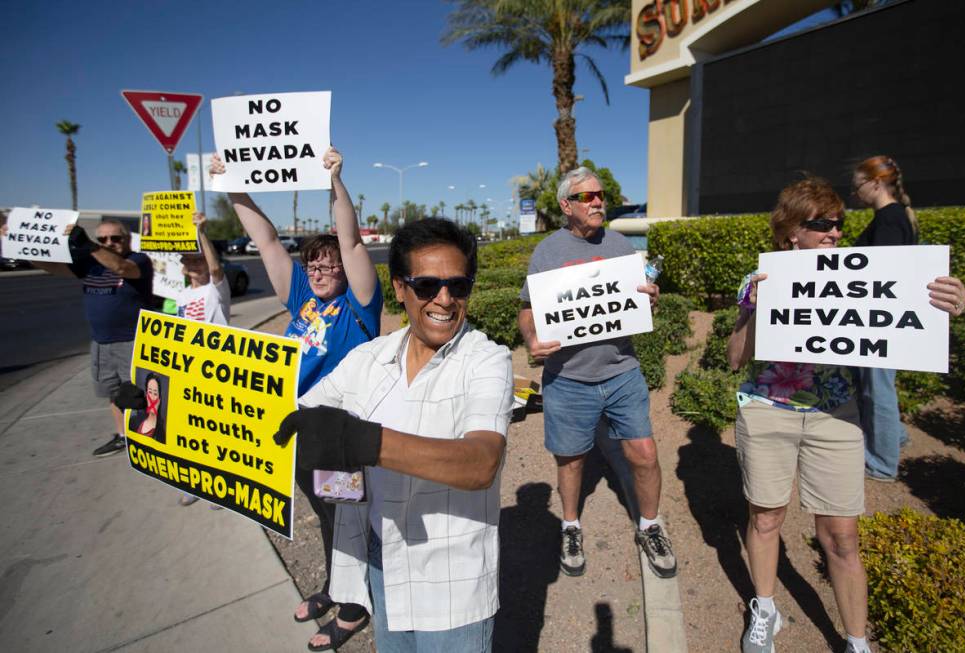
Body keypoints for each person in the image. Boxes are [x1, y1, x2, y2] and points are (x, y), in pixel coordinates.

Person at [726, 177, 965, 653]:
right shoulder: (762, 280)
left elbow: (907, 317)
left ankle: (857, 642)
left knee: (841, 536)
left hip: (835, 415)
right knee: (765, 519)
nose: (835, 233)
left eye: (839, 224)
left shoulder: (865, 273)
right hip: (769, 411)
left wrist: (947, 304)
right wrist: (756, 308)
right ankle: (766, 609)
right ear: (792, 231)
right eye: (823, 225)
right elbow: (736, 358)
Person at [275, 218, 512, 652]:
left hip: (450, 582)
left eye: (458, 286)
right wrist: (170, 409)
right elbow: (285, 416)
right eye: (426, 285)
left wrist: (366, 441)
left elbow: (481, 462)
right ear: (400, 287)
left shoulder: (487, 361)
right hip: (380, 564)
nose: (444, 299)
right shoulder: (368, 359)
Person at [212, 147, 381, 651]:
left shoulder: (360, 306)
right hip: (301, 429)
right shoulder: (301, 298)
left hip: (342, 435)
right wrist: (234, 188)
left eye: (330, 263)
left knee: (350, 517)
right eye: (315, 263)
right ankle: (335, 588)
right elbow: (264, 237)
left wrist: (336, 182)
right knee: (326, 515)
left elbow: (348, 238)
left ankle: (354, 608)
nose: (322, 269)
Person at [516, 167, 674, 579]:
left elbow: (637, 300)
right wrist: (532, 340)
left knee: (645, 453)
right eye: (587, 197)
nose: (598, 202)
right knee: (571, 462)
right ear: (567, 206)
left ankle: (651, 525)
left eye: (600, 195)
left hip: (622, 372)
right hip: (567, 378)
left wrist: (649, 300)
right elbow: (527, 309)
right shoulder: (547, 252)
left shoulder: (621, 245)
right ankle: (571, 525)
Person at [849, 156, 965, 481]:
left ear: (875, 183)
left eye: (857, 185)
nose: (855, 193)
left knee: (877, 388)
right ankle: (896, 438)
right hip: (884, 319)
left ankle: (881, 464)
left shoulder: (888, 219)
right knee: (878, 384)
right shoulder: (898, 216)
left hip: (879, 321)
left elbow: (883, 273)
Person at [17, 219, 153, 457]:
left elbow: (122, 269)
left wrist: (90, 245)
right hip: (101, 342)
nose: (109, 243)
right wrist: (21, 245)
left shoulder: (138, 260)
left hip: (132, 340)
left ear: (127, 239)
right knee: (113, 393)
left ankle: (149, 436)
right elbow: (54, 268)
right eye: (102, 239)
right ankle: (123, 437)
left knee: (140, 393)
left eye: (115, 238)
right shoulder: (90, 263)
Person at [174, 212, 231, 506]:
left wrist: (202, 233)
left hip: (217, 365)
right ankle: (195, 482)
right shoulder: (180, 296)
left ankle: (218, 485)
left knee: (217, 428)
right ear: (183, 269)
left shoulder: (216, 290)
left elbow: (216, 267)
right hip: (190, 367)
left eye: (198, 260)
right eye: (189, 261)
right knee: (192, 426)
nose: (195, 265)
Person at [127, 372, 165, 443]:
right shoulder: (133, 421)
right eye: (150, 392)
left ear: (159, 398)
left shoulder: (162, 433)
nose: (152, 397)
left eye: (155, 393)